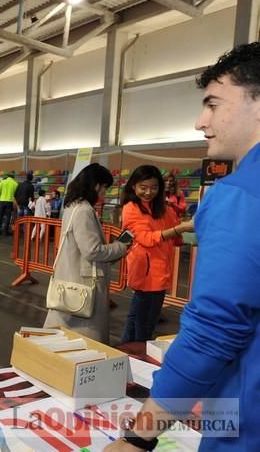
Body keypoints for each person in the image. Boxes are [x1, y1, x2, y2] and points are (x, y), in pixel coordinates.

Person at [104, 42, 260, 452]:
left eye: (213, 104)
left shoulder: (241, 195)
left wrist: (138, 436)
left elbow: (214, 331)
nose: (199, 121)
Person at [42, 163, 128, 343]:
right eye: (105, 187)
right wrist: (121, 246)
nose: (105, 192)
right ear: (96, 185)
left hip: (70, 276)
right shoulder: (84, 210)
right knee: (86, 340)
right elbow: (92, 250)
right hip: (85, 285)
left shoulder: (72, 206)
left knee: (62, 336)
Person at [119, 165, 193, 344]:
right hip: (146, 272)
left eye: (153, 187)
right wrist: (179, 229)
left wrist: (182, 233)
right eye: (143, 188)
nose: (148, 192)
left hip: (160, 270)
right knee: (144, 324)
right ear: (133, 187)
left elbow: (175, 232)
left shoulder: (163, 208)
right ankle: (137, 356)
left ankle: (126, 353)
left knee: (138, 319)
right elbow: (145, 237)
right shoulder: (131, 208)